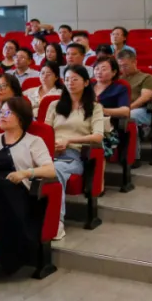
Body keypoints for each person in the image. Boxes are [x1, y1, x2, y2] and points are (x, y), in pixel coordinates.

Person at [0, 97, 56, 274]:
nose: (2, 116)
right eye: (0, 112)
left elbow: (50, 170)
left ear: (21, 118)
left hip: (18, 191)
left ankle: (9, 258)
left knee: (2, 188)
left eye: (8, 112)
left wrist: (25, 173)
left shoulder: (34, 141)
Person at [46, 65, 104, 239]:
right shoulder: (54, 105)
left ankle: (56, 222)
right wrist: (51, 144)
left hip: (74, 156)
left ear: (86, 82)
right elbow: (45, 131)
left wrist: (69, 141)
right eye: (67, 79)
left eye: (75, 79)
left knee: (55, 171)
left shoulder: (94, 107)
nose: (70, 82)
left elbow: (98, 136)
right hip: (50, 153)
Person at [92, 56, 131, 158]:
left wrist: (102, 110)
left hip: (106, 127)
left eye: (103, 69)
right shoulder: (87, 86)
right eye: (96, 68)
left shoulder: (120, 88)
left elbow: (125, 111)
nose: (99, 72)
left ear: (114, 72)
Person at [117, 49, 152, 136]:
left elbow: (145, 98)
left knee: (125, 116)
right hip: (120, 108)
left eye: (125, 66)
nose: (122, 69)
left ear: (134, 62)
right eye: (120, 66)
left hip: (140, 109)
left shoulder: (146, 77)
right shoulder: (118, 79)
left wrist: (128, 109)